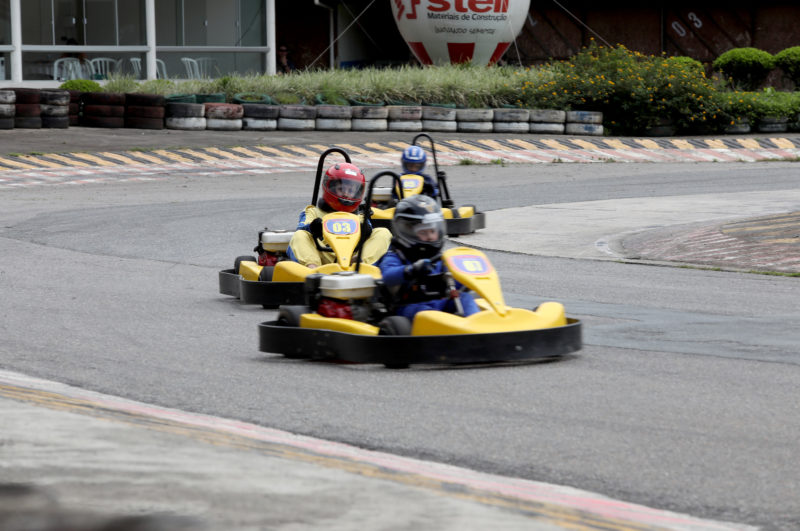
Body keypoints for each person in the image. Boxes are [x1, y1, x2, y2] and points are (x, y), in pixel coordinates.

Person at [378, 195, 479, 321]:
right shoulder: (396, 254)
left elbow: (456, 283)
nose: (430, 237)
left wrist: (468, 278)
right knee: (425, 313)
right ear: (408, 232)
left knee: (465, 298)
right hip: (409, 307)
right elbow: (387, 276)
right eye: (423, 232)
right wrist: (411, 270)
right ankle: (444, 331)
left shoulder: (440, 258)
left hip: (440, 303)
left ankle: (477, 328)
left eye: (432, 231)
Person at [288, 163, 391, 269]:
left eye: (350, 191)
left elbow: (368, 229)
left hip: (353, 256)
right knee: (299, 235)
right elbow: (302, 228)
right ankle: (312, 269)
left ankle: (359, 263)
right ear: (330, 187)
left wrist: (366, 229)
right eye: (341, 189)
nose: (346, 194)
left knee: (383, 233)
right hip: (323, 255)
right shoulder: (313, 212)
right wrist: (314, 227)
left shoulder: (359, 215)